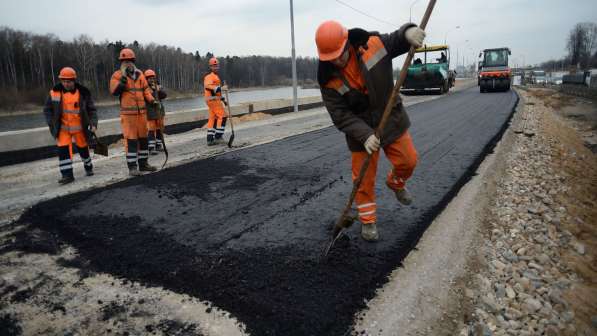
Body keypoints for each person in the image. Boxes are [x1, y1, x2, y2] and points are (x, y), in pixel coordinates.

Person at [315, 20, 425, 241]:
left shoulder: (372, 44)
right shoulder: (328, 80)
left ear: (347, 43)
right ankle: (368, 221)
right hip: (360, 130)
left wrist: (408, 33)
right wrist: (365, 135)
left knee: (409, 160)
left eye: (340, 54)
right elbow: (340, 115)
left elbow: (396, 40)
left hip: (390, 117)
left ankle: (395, 182)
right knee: (363, 179)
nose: (337, 60)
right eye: (331, 58)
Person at [43, 67, 98, 185]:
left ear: (74, 80)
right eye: (63, 81)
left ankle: (88, 167)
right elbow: (47, 110)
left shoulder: (83, 93)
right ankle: (67, 175)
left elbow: (92, 110)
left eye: (68, 81)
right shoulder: (54, 93)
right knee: (63, 151)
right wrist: (51, 123)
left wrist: (93, 124)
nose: (66, 84)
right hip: (62, 130)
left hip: (80, 129)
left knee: (83, 149)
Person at [109, 48, 158, 175]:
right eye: (125, 61)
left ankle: (143, 164)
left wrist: (153, 101)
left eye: (130, 61)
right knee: (131, 141)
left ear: (133, 61)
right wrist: (122, 82)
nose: (128, 63)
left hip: (141, 115)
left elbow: (146, 91)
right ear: (121, 62)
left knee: (143, 140)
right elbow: (114, 92)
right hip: (128, 116)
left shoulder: (140, 75)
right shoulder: (117, 76)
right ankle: (132, 167)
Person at [203, 57, 228, 145]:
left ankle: (210, 139)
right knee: (223, 116)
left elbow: (217, 92)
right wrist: (221, 88)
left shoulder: (216, 77)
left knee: (213, 118)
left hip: (214, 100)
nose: (216, 67)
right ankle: (218, 137)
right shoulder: (209, 76)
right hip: (212, 100)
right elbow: (208, 86)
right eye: (214, 66)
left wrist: (223, 99)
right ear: (210, 67)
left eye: (217, 65)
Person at [144, 69, 167, 155]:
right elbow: (148, 98)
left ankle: (158, 145)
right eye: (149, 78)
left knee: (159, 129)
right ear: (146, 79)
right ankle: (151, 147)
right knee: (151, 130)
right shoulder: (145, 89)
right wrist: (153, 91)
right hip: (150, 113)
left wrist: (158, 90)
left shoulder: (158, 86)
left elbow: (164, 95)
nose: (151, 80)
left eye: (153, 78)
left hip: (159, 112)